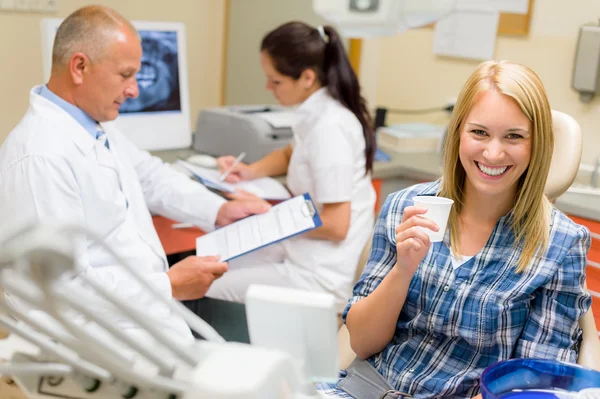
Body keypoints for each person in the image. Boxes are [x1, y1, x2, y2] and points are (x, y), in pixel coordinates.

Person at [317, 60, 592, 398]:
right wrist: (403, 270)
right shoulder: (407, 206)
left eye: (514, 136)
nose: (493, 152)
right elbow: (360, 341)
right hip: (366, 388)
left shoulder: (561, 244)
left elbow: (529, 381)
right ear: (458, 132)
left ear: (538, 144)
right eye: (479, 132)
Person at [0, 5, 270, 343]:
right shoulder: (39, 157)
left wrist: (218, 209)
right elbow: (60, 293)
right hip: (100, 347)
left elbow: (150, 175)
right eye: (126, 75)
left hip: (143, 319)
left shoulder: (94, 126)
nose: (135, 91)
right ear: (80, 66)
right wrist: (168, 285)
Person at [206, 22, 376, 310]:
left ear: (307, 77)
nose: (268, 88)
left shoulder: (329, 128)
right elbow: (290, 153)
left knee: (206, 283)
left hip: (318, 275)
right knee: (215, 260)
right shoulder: (318, 112)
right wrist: (249, 171)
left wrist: (266, 211)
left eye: (276, 81)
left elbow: (336, 225)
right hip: (303, 251)